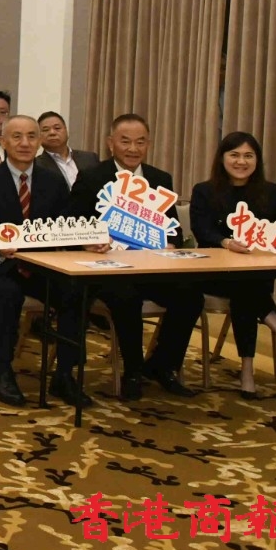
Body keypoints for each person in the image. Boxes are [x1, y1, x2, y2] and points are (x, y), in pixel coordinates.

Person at [67, 114, 204, 400]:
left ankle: (163, 366)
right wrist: (90, 241)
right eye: (125, 141)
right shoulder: (92, 177)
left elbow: (174, 230)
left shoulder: (160, 179)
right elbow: (73, 224)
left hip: (152, 267)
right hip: (109, 269)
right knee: (126, 298)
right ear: (110, 143)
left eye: (140, 142)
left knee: (190, 296)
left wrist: (171, 243)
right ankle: (132, 370)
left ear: (148, 144)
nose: (133, 149)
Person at [0, 116, 97, 407]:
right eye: (17, 137)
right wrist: (1, 246)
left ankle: (64, 374)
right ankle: (4, 372)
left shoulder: (53, 182)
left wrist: (86, 240)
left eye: (31, 137)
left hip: (40, 267)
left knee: (76, 290)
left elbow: (63, 226)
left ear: (39, 143)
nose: (25, 143)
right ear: (3, 142)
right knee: (7, 293)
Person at [189, 131, 276, 398]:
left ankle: (248, 370)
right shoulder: (204, 191)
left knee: (246, 288)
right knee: (247, 286)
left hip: (253, 274)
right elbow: (202, 230)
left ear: (257, 160)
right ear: (222, 158)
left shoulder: (269, 192)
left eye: (248, 156)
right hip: (214, 273)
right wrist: (226, 242)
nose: (241, 161)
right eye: (234, 155)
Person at [34, 111, 98, 189]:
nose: (52, 133)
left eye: (57, 128)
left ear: (66, 131)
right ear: (38, 137)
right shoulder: (35, 166)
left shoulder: (90, 158)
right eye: (46, 130)